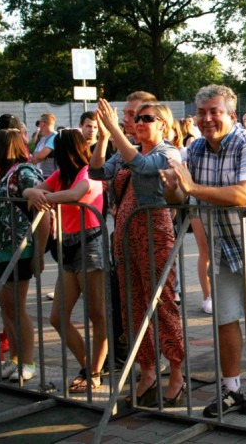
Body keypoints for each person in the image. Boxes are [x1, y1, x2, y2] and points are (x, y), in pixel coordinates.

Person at [160, 84, 246, 418]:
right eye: (201, 112)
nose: (206, 119)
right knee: (225, 319)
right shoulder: (195, 148)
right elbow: (180, 199)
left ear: (231, 115)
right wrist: (173, 188)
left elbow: (243, 195)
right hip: (223, 248)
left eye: (214, 112)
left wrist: (191, 187)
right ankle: (231, 389)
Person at [90, 99, 185, 407]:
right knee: (132, 304)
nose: (140, 123)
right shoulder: (125, 150)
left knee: (161, 301)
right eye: (138, 118)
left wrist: (116, 130)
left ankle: (177, 373)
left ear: (163, 124)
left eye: (148, 118)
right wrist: (104, 136)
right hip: (125, 234)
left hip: (154, 233)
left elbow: (143, 167)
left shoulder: (168, 153)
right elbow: (96, 172)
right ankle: (147, 371)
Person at [25, 129, 107, 393]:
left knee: (97, 314)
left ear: (64, 151)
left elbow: (76, 194)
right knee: (58, 317)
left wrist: (42, 198)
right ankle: (89, 367)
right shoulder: (61, 175)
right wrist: (31, 193)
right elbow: (31, 190)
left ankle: (95, 372)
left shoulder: (88, 171)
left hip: (90, 244)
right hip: (68, 246)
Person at [0, 130, 48, 382]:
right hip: (2, 248)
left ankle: (27, 362)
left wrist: (39, 253)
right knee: (7, 308)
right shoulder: (4, 174)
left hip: (19, 248)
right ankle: (16, 359)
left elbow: (43, 211)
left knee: (16, 307)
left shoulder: (23, 172)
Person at [29, 113, 57, 178]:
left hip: (50, 176)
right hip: (41, 176)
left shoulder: (55, 137)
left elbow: (40, 155)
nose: (39, 126)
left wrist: (40, 157)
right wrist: (41, 157)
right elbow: (33, 158)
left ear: (43, 123)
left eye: (39, 123)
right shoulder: (42, 139)